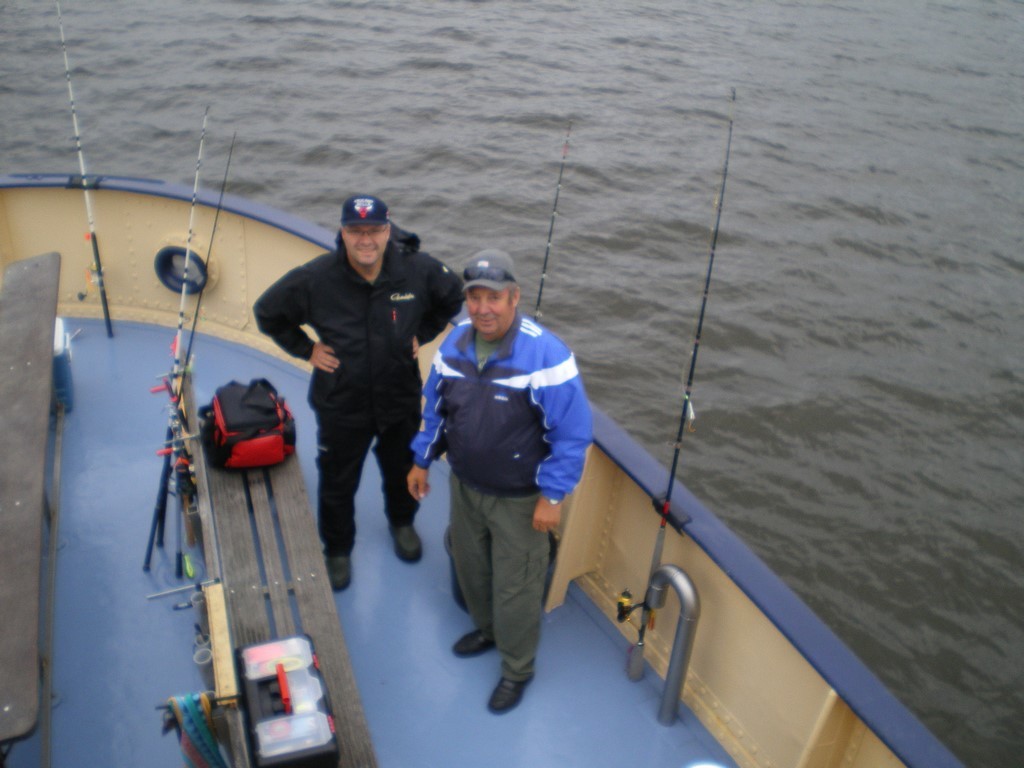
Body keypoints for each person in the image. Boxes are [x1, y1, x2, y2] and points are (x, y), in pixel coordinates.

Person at [407, 249, 593, 713]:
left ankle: (517, 669)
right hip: (466, 485)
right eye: (475, 297)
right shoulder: (454, 345)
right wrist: (422, 461)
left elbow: (572, 435)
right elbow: (436, 409)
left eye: (494, 297)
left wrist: (553, 497)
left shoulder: (547, 355)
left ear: (514, 298)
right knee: (472, 570)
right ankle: (488, 631)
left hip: (520, 498)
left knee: (516, 588)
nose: (483, 308)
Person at [254, 195, 463, 591]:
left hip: (399, 398)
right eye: (356, 231)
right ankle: (337, 548)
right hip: (341, 402)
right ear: (343, 232)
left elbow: (452, 295)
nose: (365, 240)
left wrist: (423, 333)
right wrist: (307, 349)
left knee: (402, 468)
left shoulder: (418, 270)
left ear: (388, 230)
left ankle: (402, 523)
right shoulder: (316, 278)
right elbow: (268, 312)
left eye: (374, 230)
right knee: (337, 479)